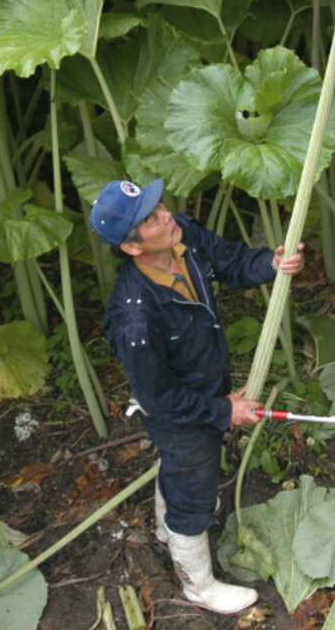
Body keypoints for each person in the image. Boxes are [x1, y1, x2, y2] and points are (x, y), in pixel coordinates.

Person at [90, 178, 304, 614]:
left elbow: (228, 260)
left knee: (183, 466)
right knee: (194, 482)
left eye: (159, 206)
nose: (166, 215)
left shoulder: (181, 236)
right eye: (152, 219)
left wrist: (271, 263)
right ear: (132, 247)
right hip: (178, 412)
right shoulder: (134, 318)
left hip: (204, 385)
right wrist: (223, 410)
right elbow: (159, 399)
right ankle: (198, 585)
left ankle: (167, 529)